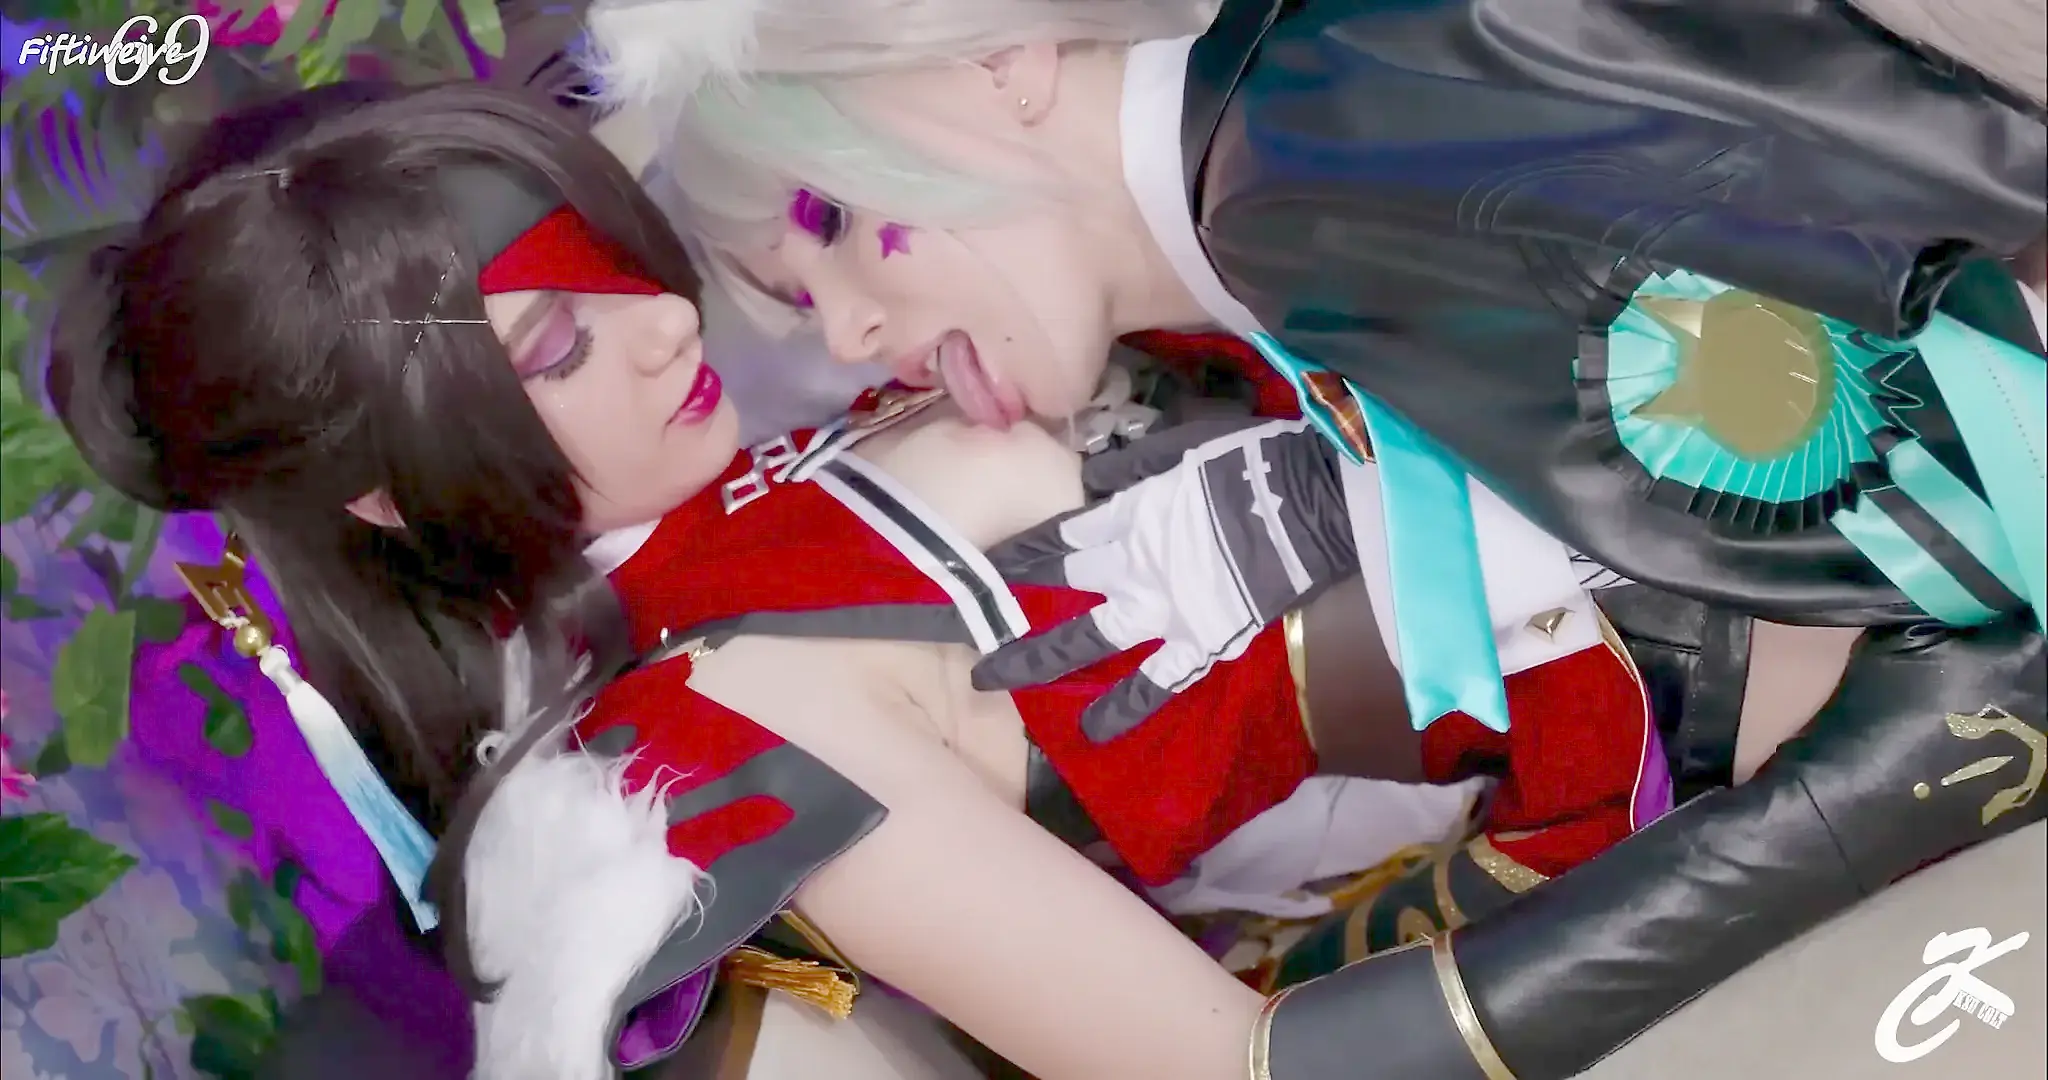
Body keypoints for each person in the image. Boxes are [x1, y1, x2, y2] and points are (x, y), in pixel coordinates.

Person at [50, 77, 1637, 1080]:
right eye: (558, 344)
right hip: (1626, 797)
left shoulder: (815, 423)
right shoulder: (710, 727)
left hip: (1616, 472)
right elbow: (1228, 1066)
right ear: (390, 496)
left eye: (619, 266)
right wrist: (1762, 831)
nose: (668, 321)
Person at [579, 0, 2048, 1076]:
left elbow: (1953, 396)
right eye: (797, 295)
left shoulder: (1316, 161)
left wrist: (1877, 771)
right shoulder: (1284, 158)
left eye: (834, 217)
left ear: (995, 58)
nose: (846, 335)